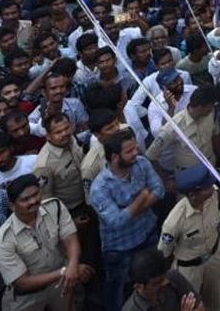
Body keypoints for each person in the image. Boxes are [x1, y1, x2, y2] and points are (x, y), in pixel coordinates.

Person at [90, 129, 164, 311]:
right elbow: (116, 222)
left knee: (155, 282)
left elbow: (159, 189)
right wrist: (142, 196)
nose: (136, 153)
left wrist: (131, 209)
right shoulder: (100, 187)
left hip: (147, 234)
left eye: (135, 148)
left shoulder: (142, 164)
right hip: (120, 248)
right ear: (115, 157)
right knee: (118, 291)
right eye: (129, 151)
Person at [0, 174, 88, 311]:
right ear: (12, 206)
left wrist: (73, 264)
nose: (33, 201)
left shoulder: (55, 206)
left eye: (36, 194)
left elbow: (70, 238)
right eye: (25, 199)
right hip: (27, 298)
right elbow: (22, 283)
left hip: (61, 286)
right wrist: (66, 271)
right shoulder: (2, 241)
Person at [158, 166, 220, 311]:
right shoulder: (174, 222)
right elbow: (164, 255)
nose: (212, 188)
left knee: (215, 302)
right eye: (206, 187)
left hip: (214, 257)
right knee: (194, 307)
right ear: (193, 194)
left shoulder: (215, 195)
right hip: (189, 270)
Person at [122, 249, 201, 311]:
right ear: (139, 286)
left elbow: (200, 306)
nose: (166, 282)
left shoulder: (173, 276)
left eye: (165, 276)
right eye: (158, 282)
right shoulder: (131, 309)